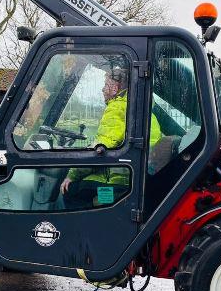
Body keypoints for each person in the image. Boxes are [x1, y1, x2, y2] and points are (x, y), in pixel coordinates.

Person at [60, 67, 161, 209]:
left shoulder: (117, 108)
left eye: (105, 85)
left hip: (117, 183)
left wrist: (73, 174)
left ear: (115, 88)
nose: (102, 90)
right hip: (132, 178)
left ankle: (87, 222)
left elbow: (101, 148)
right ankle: (97, 206)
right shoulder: (142, 110)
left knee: (69, 191)